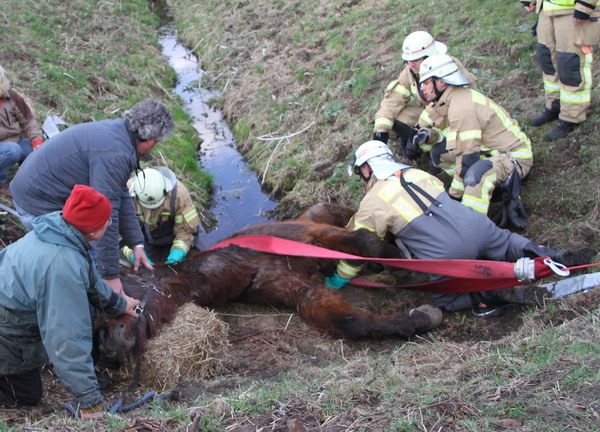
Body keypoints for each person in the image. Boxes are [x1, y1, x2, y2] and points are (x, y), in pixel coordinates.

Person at [324, 140, 596, 312]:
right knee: (507, 243)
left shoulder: (372, 203)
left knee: (446, 299)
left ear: (367, 169)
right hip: (476, 224)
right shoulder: (415, 173)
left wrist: (337, 280)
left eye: (361, 172)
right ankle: (553, 256)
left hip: (447, 251)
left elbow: (356, 249)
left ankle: (494, 295)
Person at [0, 185, 140, 418]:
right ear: (94, 229)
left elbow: (91, 281)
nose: (109, 225)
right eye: (107, 221)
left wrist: (118, 304)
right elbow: (66, 338)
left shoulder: (60, 231)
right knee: (25, 395)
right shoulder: (61, 265)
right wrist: (89, 402)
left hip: (9, 316)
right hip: (6, 332)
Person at [10, 98, 174, 295]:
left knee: (91, 249)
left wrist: (136, 242)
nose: (154, 147)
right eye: (156, 142)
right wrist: (110, 276)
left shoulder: (119, 133)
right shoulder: (115, 153)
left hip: (37, 189)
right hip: (37, 202)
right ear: (149, 139)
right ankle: (79, 304)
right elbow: (105, 217)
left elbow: (119, 193)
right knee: (83, 259)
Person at [407, 54, 533, 228]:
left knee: (476, 176)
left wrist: (455, 196)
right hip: (492, 153)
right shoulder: (450, 99)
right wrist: (425, 135)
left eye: (427, 83)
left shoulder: (461, 107)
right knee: (439, 154)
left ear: (442, 82)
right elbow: (433, 121)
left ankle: (472, 228)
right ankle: (479, 192)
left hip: (514, 157)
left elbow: (468, 158)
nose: (423, 89)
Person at [372, 31, 476, 155]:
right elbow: (393, 100)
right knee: (399, 117)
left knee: (441, 152)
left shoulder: (448, 67)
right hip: (431, 116)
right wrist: (380, 133)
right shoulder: (410, 72)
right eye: (408, 60)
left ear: (429, 56)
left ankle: (439, 156)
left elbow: (447, 105)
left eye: (415, 60)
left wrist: (419, 129)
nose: (411, 64)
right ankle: (417, 155)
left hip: (455, 119)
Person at [521, 0, 600, 141]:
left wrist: (585, 5)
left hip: (573, 12)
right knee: (547, 61)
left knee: (571, 65)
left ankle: (572, 117)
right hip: (546, 10)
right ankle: (554, 106)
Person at [122, 166, 201, 264]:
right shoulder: (124, 195)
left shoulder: (179, 195)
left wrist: (178, 252)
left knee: (196, 263)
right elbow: (117, 233)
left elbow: (186, 231)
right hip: (142, 237)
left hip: (174, 233)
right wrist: (132, 252)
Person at [0, 64, 44, 194]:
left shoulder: (12, 97)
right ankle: (1, 181)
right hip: (6, 146)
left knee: (37, 155)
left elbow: (28, 120)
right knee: (13, 151)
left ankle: (26, 183)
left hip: (15, 140)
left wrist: (36, 140)